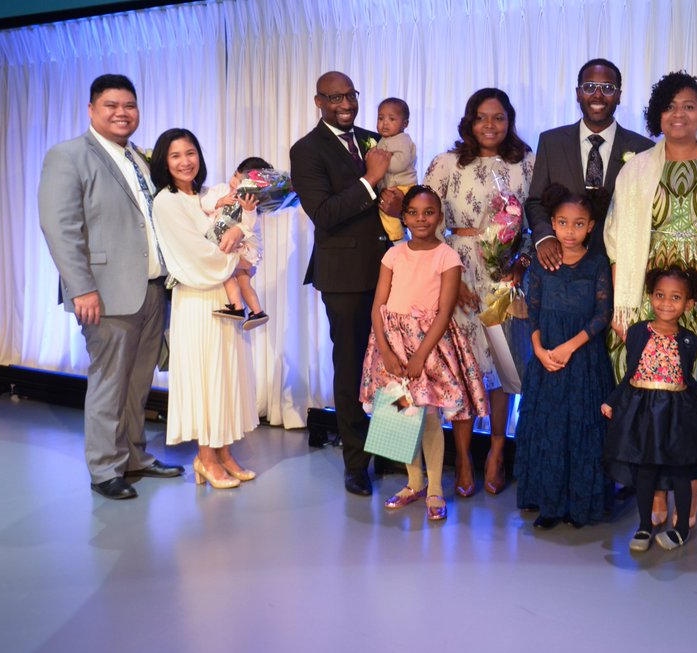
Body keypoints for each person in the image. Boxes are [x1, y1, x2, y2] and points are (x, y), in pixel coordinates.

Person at [603, 70, 697, 529]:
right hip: (653, 295)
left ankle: (688, 498)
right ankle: (656, 501)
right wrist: (621, 305)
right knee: (653, 398)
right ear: (658, 115)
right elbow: (615, 240)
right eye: (670, 106)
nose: (679, 114)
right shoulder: (636, 169)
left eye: (688, 105)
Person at [37, 74, 184, 500]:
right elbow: (60, 227)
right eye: (111, 105)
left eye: (129, 106)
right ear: (91, 110)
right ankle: (104, 469)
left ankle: (134, 455)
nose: (122, 113)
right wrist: (81, 287)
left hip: (153, 291)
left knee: (139, 382)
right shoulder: (68, 156)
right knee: (109, 382)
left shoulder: (140, 156)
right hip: (104, 293)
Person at [290, 71, 403, 498]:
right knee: (353, 365)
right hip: (344, 277)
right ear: (318, 101)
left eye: (350, 95)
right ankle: (357, 464)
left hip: (392, 268)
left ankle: (391, 448)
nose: (345, 103)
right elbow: (324, 213)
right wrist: (370, 180)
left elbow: (399, 199)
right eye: (335, 97)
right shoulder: (306, 150)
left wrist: (399, 200)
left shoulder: (378, 139)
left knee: (394, 362)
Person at [424, 87, 534, 496]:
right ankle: (465, 457)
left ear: (510, 120)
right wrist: (453, 284)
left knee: (504, 371)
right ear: (470, 121)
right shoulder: (446, 163)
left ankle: (497, 452)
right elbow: (427, 227)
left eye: (499, 117)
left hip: (506, 278)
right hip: (458, 275)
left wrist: (519, 267)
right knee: (463, 371)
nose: (490, 125)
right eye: (482, 117)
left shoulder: (526, 162)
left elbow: (534, 223)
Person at [358, 186, 488, 521]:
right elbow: (378, 305)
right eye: (413, 212)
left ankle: (435, 490)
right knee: (400, 412)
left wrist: (420, 356)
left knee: (429, 416)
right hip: (392, 343)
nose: (421, 219)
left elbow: (444, 311)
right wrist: (385, 349)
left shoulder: (447, 256)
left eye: (428, 213)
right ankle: (414, 482)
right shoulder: (393, 255)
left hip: (428, 345)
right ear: (404, 217)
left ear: (440, 217)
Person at [150, 129, 260, 489]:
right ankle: (205, 457)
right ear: (164, 162)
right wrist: (234, 252)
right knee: (204, 377)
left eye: (190, 152)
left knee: (226, 375)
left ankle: (225, 453)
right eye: (176, 155)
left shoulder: (208, 195)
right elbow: (194, 255)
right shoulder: (166, 202)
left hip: (223, 297)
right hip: (198, 297)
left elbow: (241, 235)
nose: (185, 161)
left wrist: (242, 232)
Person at [602, 266, 697, 551]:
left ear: (688, 304)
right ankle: (644, 526)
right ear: (650, 297)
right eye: (660, 295)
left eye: (675, 298)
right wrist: (612, 400)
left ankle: (681, 528)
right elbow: (630, 374)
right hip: (643, 412)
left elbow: (688, 380)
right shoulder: (636, 333)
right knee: (644, 471)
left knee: (682, 473)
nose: (666, 303)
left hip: (677, 415)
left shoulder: (688, 340)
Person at [514, 184, 615, 528]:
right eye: (562, 223)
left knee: (582, 429)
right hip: (547, 360)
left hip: (583, 359)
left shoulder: (598, 263)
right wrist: (540, 350)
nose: (569, 231)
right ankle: (549, 504)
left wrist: (570, 347)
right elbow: (534, 308)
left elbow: (603, 314)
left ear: (590, 226)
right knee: (549, 428)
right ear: (552, 225)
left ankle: (579, 504)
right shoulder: (544, 264)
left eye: (578, 224)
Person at [526, 58, 653, 267]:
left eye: (608, 88)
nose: (597, 94)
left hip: (619, 265)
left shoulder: (643, 148)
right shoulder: (551, 142)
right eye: (590, 87)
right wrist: (545, 237)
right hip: (561, 261)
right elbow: (536, 201)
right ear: (578, 94)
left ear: (619, 96)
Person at [201, 156, 272, 330]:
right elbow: (205, 203)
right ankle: (257, 312)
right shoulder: (220, 189)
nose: (234, 183)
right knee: (243, 282)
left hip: (244, 250)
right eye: (235, 176)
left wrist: (248, 209)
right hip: (240, 250)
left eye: (241, 182)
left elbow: (248, 226)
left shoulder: (249, 203)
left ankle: (238, 307)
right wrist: (220, 201)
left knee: (224, 270)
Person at [374, 97, 419, 243]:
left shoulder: (402, 139)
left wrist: (379, 161)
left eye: (392, 119)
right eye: (381, 118)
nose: (385, 123)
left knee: (386, 211)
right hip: (393, 185)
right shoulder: (383, 140)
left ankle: (398, 238)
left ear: (404, 124)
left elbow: (400, 163)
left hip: (404, 186)